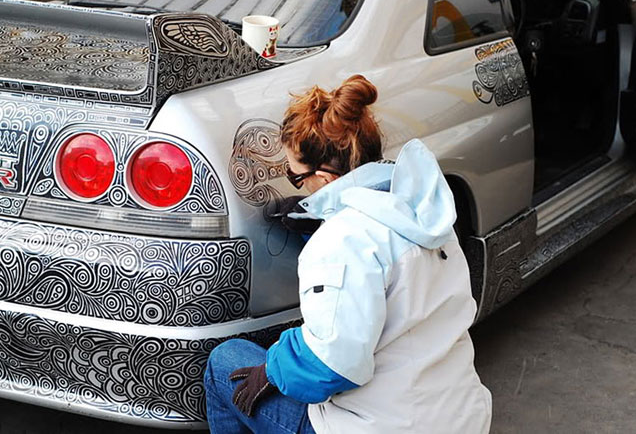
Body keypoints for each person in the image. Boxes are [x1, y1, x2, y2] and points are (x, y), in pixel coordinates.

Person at [204, 75, 492, 433]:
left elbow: (331, 367)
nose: (299, 186)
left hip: (380, 428)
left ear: (325, 179)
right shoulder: (427, 216)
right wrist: (319, 219)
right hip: (460, 419)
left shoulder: (341, 243)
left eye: (296, 178)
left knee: (224, 362)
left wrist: (274, 367)